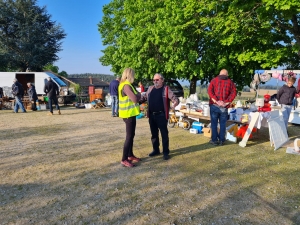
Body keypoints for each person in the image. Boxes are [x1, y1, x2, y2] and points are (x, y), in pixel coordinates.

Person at [140, 73, 179, 160]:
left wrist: (174, 103)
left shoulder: (166, 89)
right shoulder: (150, 88)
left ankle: (165, 152)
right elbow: (144, 97)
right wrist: (136, 99)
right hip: (152, 115)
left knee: (164, 134)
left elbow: (175, 98)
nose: (155, 81)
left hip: (161, 115)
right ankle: (156, 149)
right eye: (154, 80)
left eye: (157, 80)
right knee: (154, 134)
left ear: (162, 80)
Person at [118, 68, 141, 167]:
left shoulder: (126, 85)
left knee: (131, 135)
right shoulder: (126, 86)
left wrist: (138, 95)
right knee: (129, 137)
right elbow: (135, 99)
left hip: (130, 114)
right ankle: (124, 159)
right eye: (133, 75)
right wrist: (139, 95)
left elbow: (136, 96)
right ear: (129, 75)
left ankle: (130, 155)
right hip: (128, 115)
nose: (134, 77)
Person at [207, 69, 237, 146]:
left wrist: (216, 101)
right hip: (224, 107)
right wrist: (226, 102)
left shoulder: (214, 80)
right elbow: (233, 93)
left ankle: (214, 140)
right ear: (227, 74)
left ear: (220, 73)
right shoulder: (230, 82)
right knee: (223, 124)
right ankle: (221, 140)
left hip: (214, 105)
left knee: (214, 124)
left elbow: (210, 91)